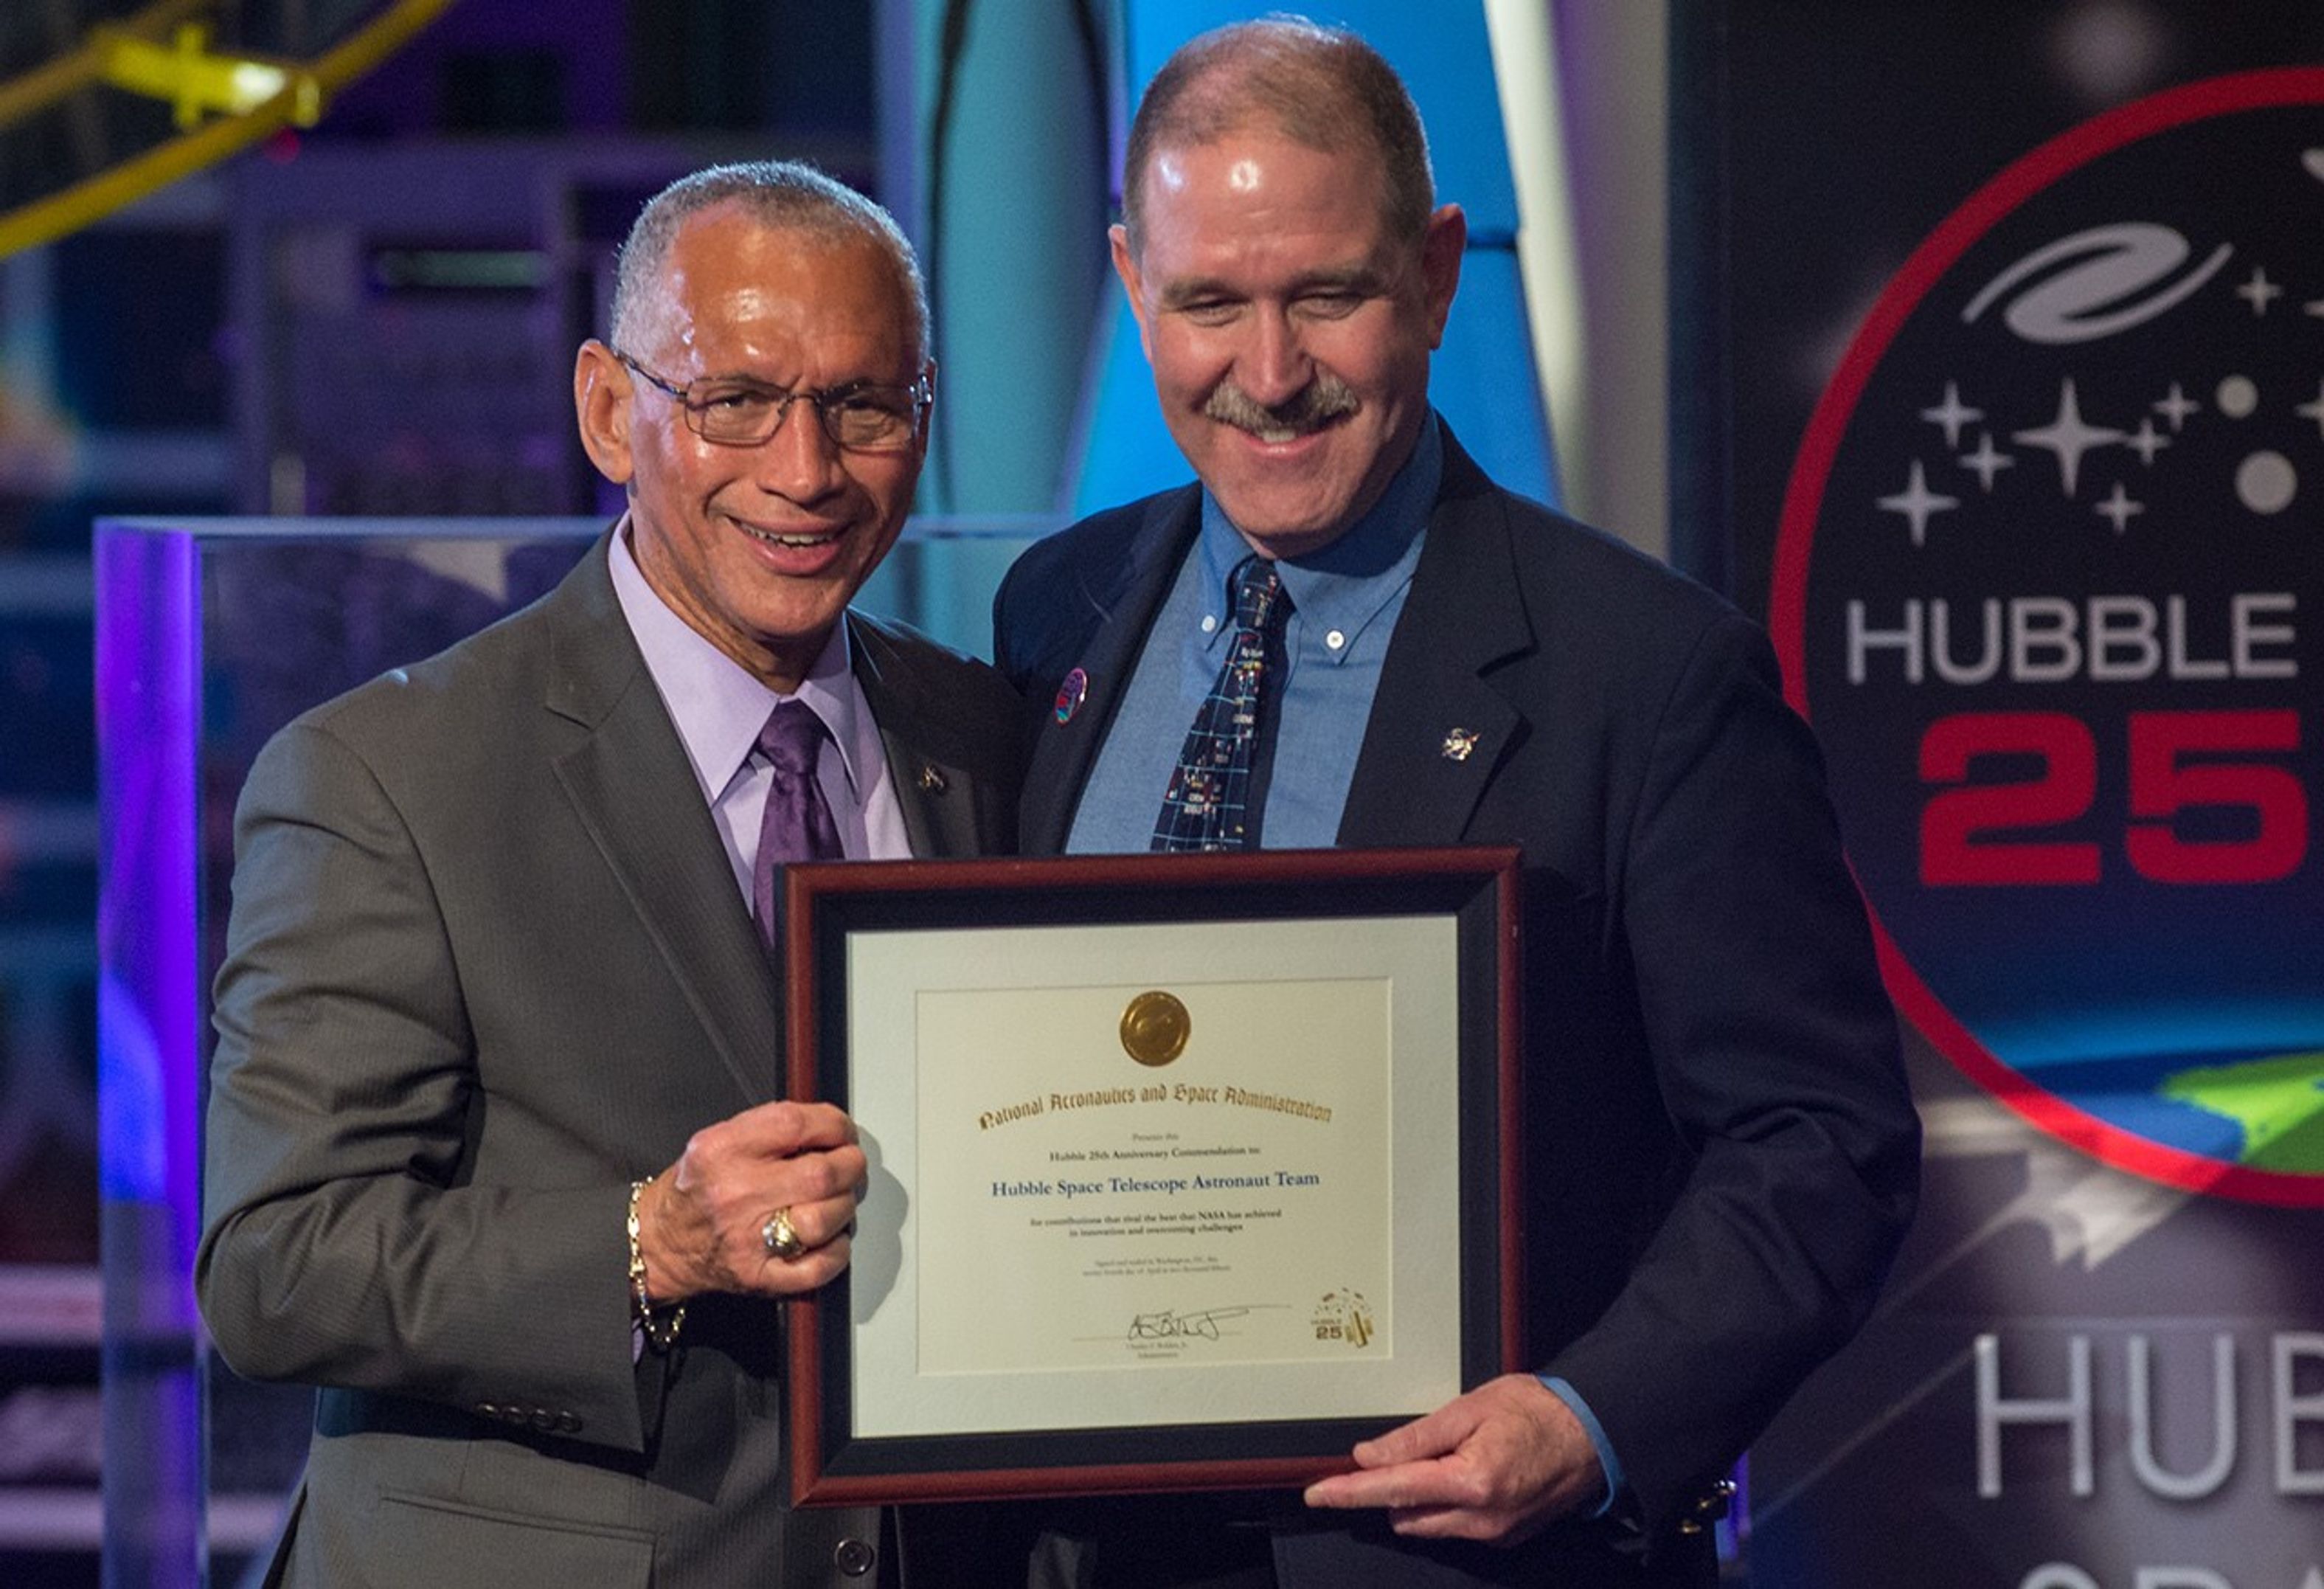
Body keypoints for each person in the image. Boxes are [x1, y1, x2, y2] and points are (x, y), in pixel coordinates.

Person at [983, 19, 1920, 1588]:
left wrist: (1589, 1416)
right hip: (1084, 1546)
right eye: (1210, 301)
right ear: (1134, 283)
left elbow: (1821, 1140)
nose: (1267, 376)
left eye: (1327, 297)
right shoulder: (1054, 612)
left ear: (1431, 273)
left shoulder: (1652, 673)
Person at [197, 162, 1020, 1587]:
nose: (808, 468)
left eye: (863, 405)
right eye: (736, 400)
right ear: (605, 409)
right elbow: (274, 1263)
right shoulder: (387, 775)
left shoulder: (986, 740)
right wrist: (650, 1241)